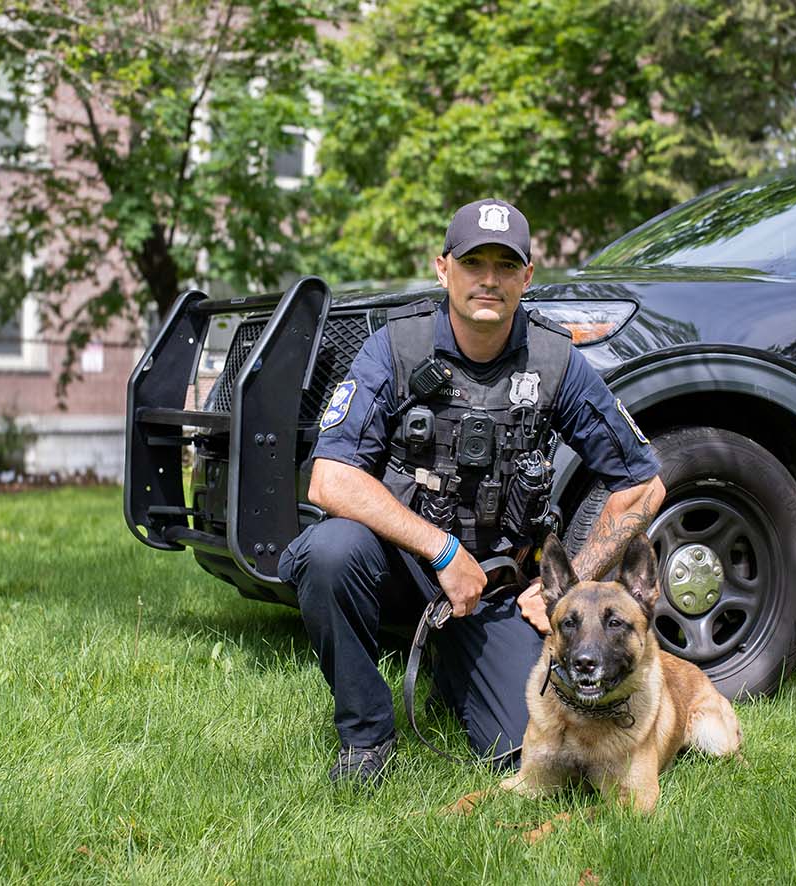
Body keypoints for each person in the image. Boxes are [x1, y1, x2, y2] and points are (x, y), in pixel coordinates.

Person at [278, 198, 666, 787]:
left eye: (506, 265)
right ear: (443, 269)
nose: (489, 279)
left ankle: (451, 668)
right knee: (329, 552)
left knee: (521, 749)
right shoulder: (396, 349)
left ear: (527, 277)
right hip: (400, 570)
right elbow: (330, 479)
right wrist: (441, 552)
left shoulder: (555, 362)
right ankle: (366, 737)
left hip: (496, 586)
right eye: (473, 262)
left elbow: (644, 485)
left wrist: (569, 585)